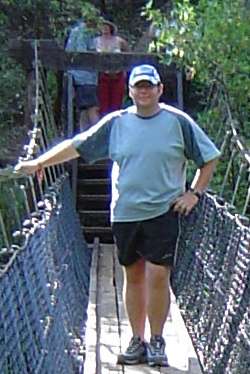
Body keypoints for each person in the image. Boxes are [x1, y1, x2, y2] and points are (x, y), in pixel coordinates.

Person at [15, 64, 220, 367]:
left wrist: (194, 193)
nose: (144, 90)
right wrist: (38, 163)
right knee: (133, 275)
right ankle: (137, 340)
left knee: (158, 274)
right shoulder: (116, 123)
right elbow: (77, 145)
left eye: (150, 85)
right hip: (125, 212)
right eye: (138, 86)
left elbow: (210, 156)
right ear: (130, 91)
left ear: (160, 89)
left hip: (164, 211)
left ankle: (158, 340)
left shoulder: (178, 122)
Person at [65, 17, 99, 131]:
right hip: (85, 76)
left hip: (79, 75)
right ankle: (98, 136)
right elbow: (82, 54)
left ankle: (83, 135)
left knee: (83, 109)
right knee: (92, 108)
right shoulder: (83, 32)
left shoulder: (76, 30)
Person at [95, 19, 129, 116]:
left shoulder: (120, 41)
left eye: (107, 26)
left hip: (118, 76)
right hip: (102, 76)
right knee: (103, 105)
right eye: (102, 26)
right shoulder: (95, 41)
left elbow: (128, 56)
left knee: (116, 105)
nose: (105, 28)